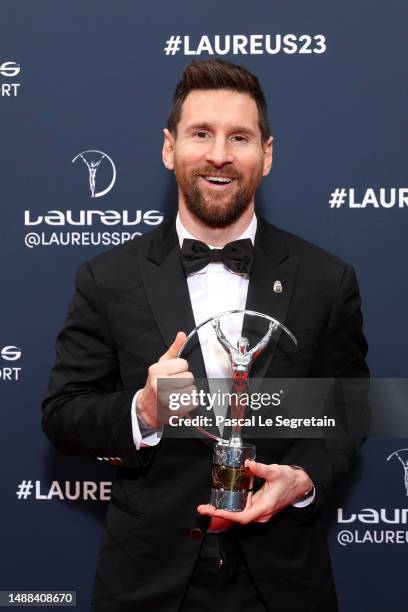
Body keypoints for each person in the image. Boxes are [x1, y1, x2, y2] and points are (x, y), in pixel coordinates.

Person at [42, 59, 369, 611]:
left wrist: (304, 477)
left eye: (239, 137)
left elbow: (350, 408)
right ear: (170, 148)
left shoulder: (327, 279)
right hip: (145, 584)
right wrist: (142, 413)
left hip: (284, 583)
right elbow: (63, 414)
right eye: (201, 134)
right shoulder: (106, 278)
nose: (219, 154)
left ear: (266, 154)